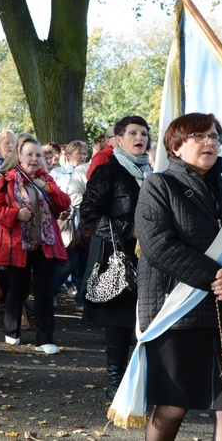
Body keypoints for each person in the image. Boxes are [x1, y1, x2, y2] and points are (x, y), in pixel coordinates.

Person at [135, 113, 222, 439]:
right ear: (177, 146)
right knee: (171, 408)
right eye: (199, 136)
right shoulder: (158, 185)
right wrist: (218, 278)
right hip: (177, 312)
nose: (210, 142)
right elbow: (158, 247)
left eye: (215, 137)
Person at [80, 115, 152, 398]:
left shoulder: (153, 173)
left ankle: (138, 384)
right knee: (119, 324)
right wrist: (128, 230)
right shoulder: (108, 171)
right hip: (116, 256)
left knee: (143, 323)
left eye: (144, 134)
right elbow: (88, 215)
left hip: (148, 258)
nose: (140, 138)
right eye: (133, 133)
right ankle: (116, 386)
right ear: (118, 140)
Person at [0, 133, 70, 354]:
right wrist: (15, 214)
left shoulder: (47, 179)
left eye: (38, 154)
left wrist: (48, 187)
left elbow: (64, 203)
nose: (34, 158)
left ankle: (45, 339)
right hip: (17, 245)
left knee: (45, 290)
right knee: (18, 288)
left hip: (46, 243)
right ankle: (11, 331)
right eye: (30, 154)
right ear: (19, 157)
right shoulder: (6, 179)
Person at [49, 140, 89, 305]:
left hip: (86, 222)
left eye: (85, 153)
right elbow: (51, 196)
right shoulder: (57, 173)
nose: (82, 156)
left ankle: (81, 299)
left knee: (85, 263)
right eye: (79, 153)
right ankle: (51, 291)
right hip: (67, 223)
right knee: (69, 262)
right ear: (68, 155)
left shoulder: (89, 171)